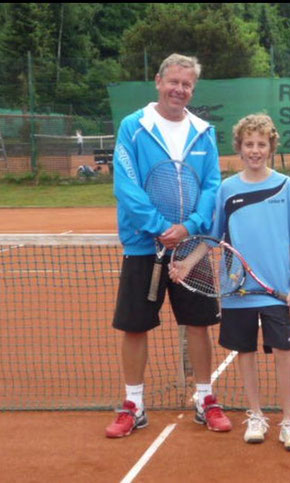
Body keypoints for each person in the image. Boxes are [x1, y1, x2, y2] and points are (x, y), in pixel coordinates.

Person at [105, 53, 230, 438]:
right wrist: (160, 227)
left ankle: (205, 398)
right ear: (159, 81)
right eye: (173, 81)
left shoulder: (203, 132)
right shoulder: (134, 127)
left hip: (190, 247)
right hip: (144, 247)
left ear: (193, 89)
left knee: (198, 324)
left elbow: (212, 185)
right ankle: (133, 404)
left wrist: (189, 226)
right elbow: (125, 184)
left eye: (187, 84)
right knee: (134, 327)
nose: (179, 90)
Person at [192, 113, 290, 451]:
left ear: (271, 147)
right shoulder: (227, 189)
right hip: (236, 290)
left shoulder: (288, 186)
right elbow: (214, 238)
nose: (255, 150)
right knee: (245, 352)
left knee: (283, 352)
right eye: (249, 144)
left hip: (277, 290)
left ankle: (288, 420)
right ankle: (255, 414)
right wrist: (186, 263)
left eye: (261, 144)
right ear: (239, 148)